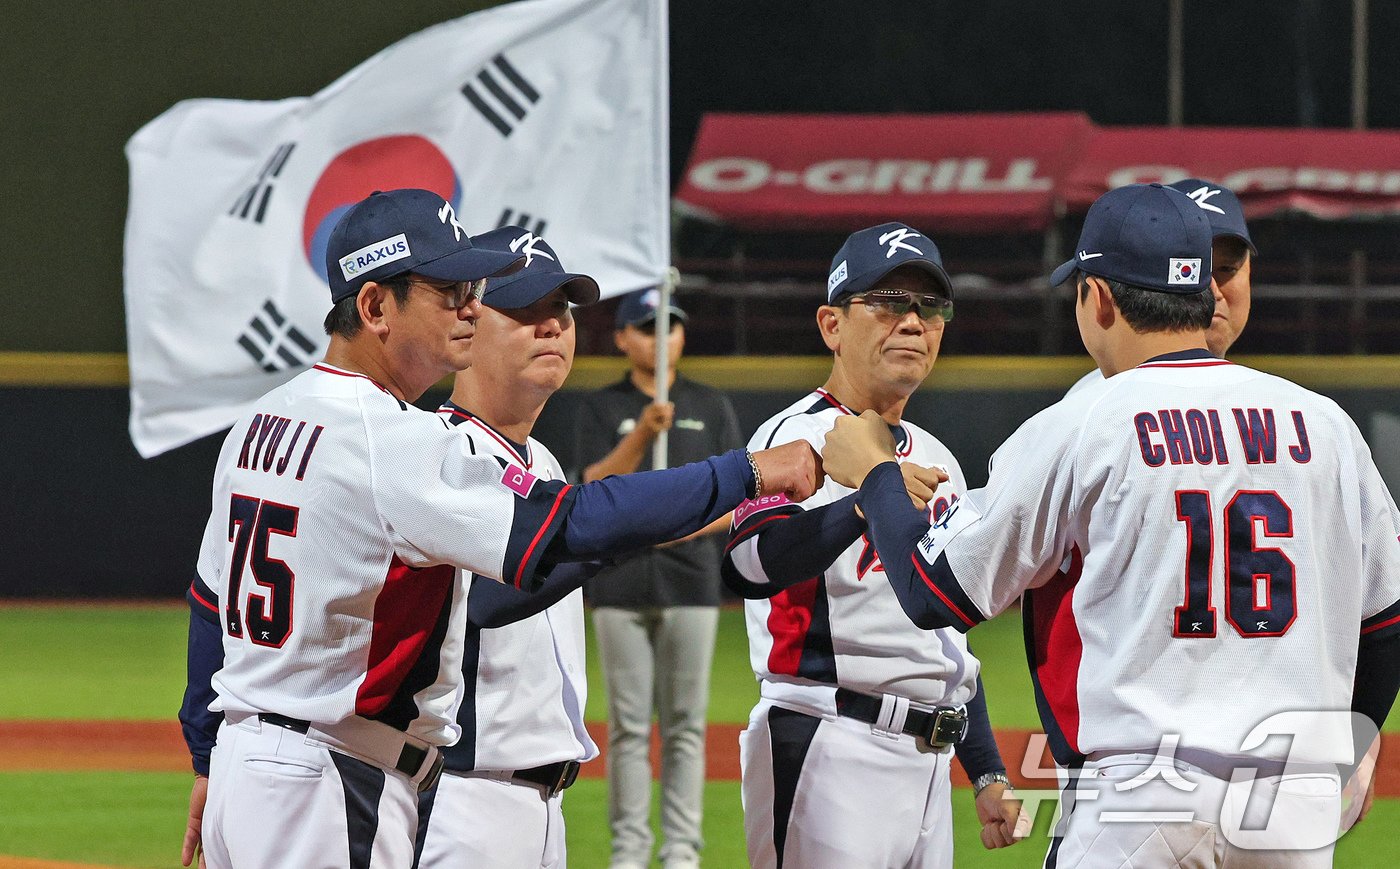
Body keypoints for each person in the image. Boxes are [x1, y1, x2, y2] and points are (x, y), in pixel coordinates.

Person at [177, 188, 821, 869]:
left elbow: (208, 600)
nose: (469, 305)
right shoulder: (390, 437)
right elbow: (569, 528)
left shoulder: (264, 419)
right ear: (373, 307)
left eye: (473, 288)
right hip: (330, 779)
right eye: (446, 289)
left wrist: (206, 753)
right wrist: (747, 471)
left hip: (258, 762)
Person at [823, 184, 1400, 867]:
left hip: (1143, 794)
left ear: (1096, 298)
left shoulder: (1084, 422)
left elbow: (932, 592)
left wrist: (876, 475)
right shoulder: (1325, 423)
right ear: (1202, 295)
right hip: (1290, 806)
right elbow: (1384, 621)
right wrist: (1350, 744)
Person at [720, 222, 1025, 869]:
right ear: (832, 324)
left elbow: (949, 645)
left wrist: (988, 769)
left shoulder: (938, 456)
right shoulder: (793, 435)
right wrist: (864, 503)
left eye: (930, 306)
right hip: (828, 742)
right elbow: (749, 562)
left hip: (927, 759)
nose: (914, 322)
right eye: (888, 303)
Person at [411, 227, 601, 868]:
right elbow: (488, 601)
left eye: (561, 311)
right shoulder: (434, 451)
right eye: (525, 311)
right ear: (466, 328)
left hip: (543, 804)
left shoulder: (543, 461)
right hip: (459, 797)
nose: (552, 327)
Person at [574, 290, 744, 869]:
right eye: (646, 328)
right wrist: (643, 433)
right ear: (622, 338)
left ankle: (679, 854)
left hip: (692, 584)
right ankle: (628, 853)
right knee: (625, 727)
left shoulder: (709, 404)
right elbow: (590, 489)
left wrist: (680, 526)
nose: (661, 337)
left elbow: (739, 503)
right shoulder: (602, 407)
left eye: (670, 326)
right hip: (619, 583)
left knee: (685, 727)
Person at [1066, 177, 1255, 397]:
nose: (1210, 289)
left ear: (1250, 272)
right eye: (1188, 270)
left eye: (1226, 269)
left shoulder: (1285, 405)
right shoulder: (1089, 398)